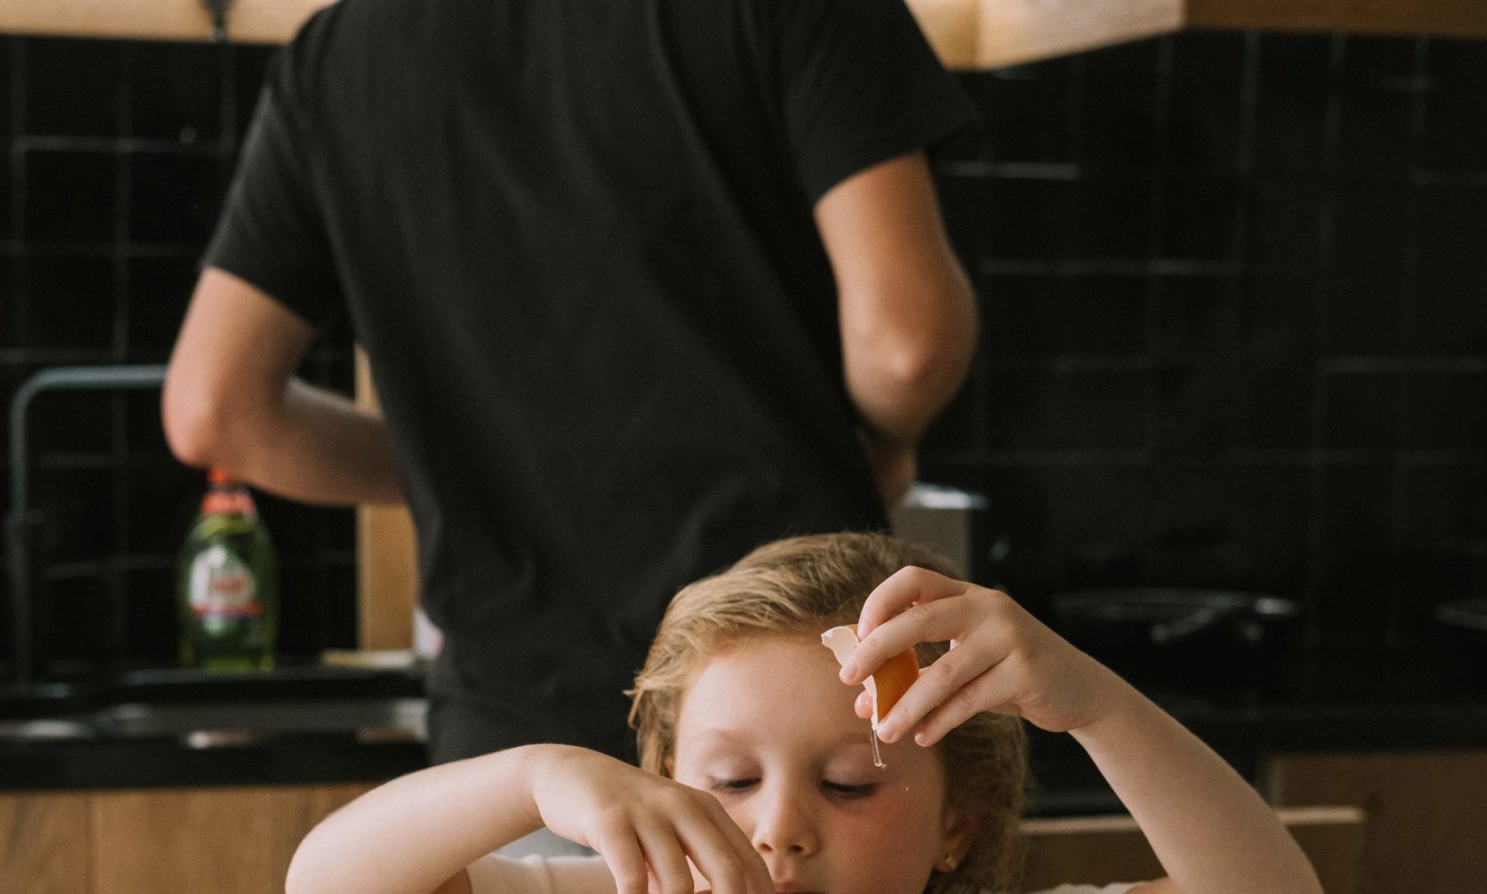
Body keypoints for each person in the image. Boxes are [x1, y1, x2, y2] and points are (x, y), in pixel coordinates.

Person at [163, 0, 979, 764]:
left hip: (516, 752)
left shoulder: (340, 54)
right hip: (791, 739)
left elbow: (216, 411)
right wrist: (887, 444)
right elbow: (907, 343)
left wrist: (480, 464)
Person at [285, 532, 1329, 894]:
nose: (779, 827)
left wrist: (1094, 702)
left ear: (955, 820)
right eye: (731, 780)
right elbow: (327, 888)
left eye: (849, 783)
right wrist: (529, 775)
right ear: (657, 782)